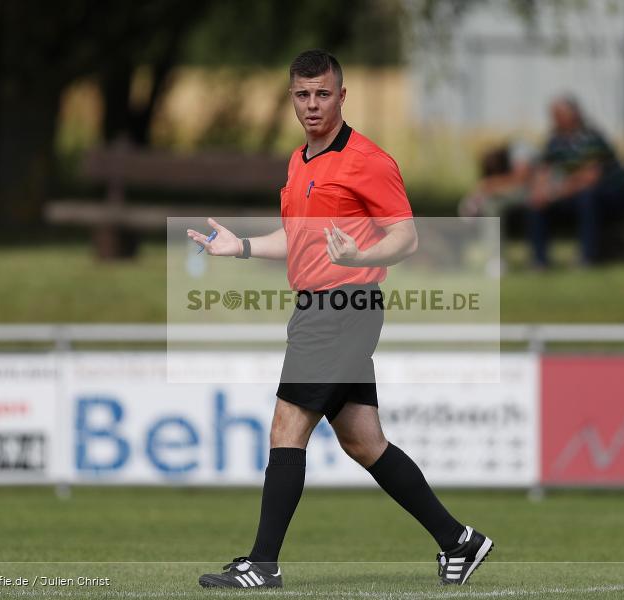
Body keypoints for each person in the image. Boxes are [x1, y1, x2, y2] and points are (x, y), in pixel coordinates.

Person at [187, 49, 494, 589]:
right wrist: (240, 247)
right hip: (316, 309)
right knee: (362, 439)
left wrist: (359, 258)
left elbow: (405, 235)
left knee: (287, 428)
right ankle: (459, 540)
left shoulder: (369, 160)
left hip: (341, 309)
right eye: (303, 95)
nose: (312, 105)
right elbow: (297, 239)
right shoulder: (298, 161)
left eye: (322, 94)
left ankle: (262, 563)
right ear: (292, 98)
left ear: (342, 97)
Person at [527, 96, 624, 268]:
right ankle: (539, 260)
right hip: (572, 193)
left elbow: (591, 178)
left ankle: (587, 257)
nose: (554, 119)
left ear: (573, 115)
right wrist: (540, 192)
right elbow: (543, 169)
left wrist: (554, 193)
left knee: (587, 197)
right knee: (538, 204)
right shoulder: (554, 141)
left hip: (611, 196)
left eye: (558, 114)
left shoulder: (591, 138)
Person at [459, 141, 537, 277]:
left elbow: (521, 179)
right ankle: (493, 258)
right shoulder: (499, 169)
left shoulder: (519, 150)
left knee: (492, 207)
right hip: (516, 196)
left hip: (535, 193)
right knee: (489, 205)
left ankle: (495, 260)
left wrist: (491, 184)